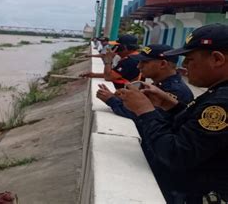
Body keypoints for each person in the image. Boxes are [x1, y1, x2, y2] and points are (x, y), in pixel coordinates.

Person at [116, 24, 228, 203]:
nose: (183, 66)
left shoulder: (222, 102)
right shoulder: (218, 92)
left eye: (189, 59)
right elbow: (200, 132)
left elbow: (176, 153)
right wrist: (171, 105)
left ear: (217, 59)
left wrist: (145, 111)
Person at [96, 44, 195, 202]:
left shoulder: (176, 91)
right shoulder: (158, 86)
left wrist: (113, 101)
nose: (139, 66)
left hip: (166, 166)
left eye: (145, 62)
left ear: (162, 64)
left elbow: (141, 116)